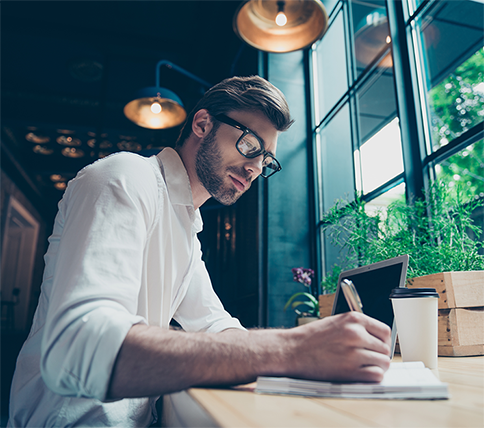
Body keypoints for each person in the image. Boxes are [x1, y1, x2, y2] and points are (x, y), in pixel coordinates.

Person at [8, 76, 391, 427]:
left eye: (266, 158)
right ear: (203, 124)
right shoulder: (124, 178)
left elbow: (214, 324)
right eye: (249, 144)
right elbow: (79, 347)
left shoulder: (186, 227)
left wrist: (313, 358)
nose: (255, 166)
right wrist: (294, 349)